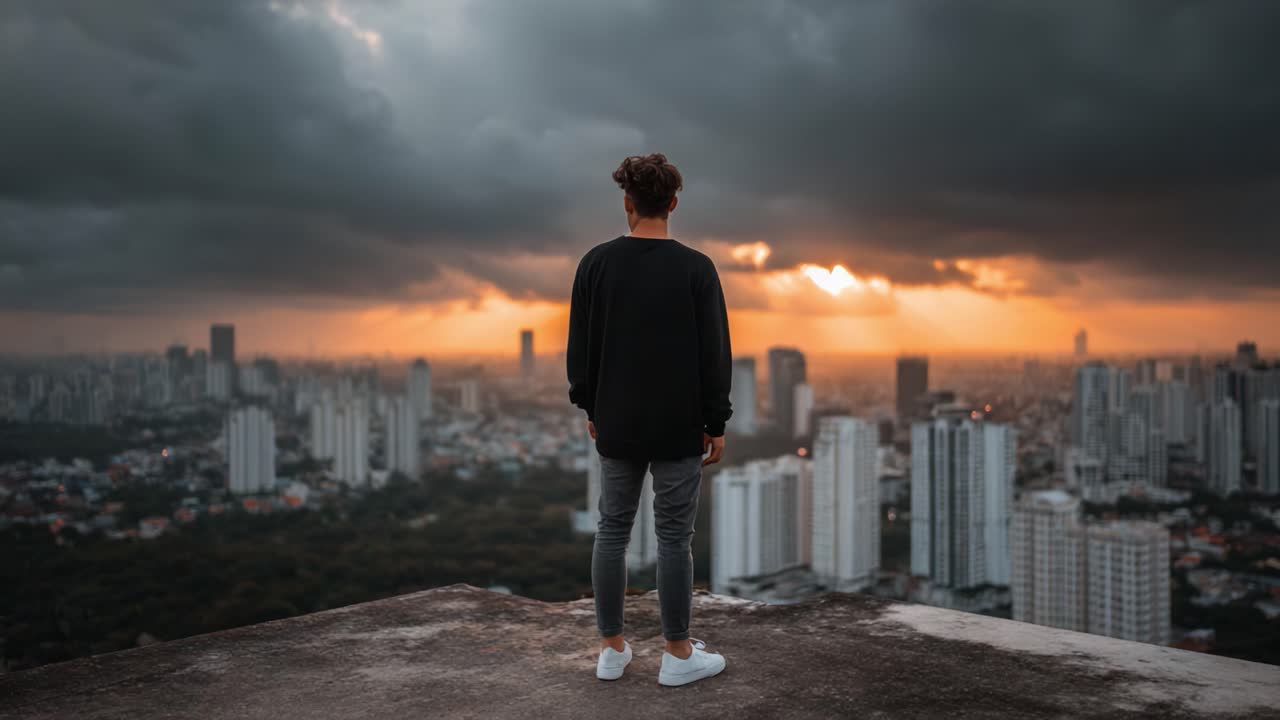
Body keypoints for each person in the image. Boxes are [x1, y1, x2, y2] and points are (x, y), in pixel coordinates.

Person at [566, 153, 733, 687]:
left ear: (627, 202)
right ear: (674, 203)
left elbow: (581, 349)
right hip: (680, 423)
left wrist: (591, 406)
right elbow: (715, 354)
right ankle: (678, 655)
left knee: (611, 531)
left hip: (617, 420)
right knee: (672, 540)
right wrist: (716, 420)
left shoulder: (595, 263)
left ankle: (612, 650)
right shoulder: (697, 268)